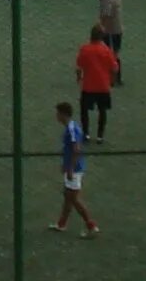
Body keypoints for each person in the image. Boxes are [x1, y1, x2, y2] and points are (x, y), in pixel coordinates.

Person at [50, 101, 98, 236]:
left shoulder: (71, 129)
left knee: (74, 199)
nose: (56, 116)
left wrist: (70, 168)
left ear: (63, 114)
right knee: (68, 196)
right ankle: (61, 224)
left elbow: (76, 149)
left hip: (75, 169)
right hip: (72, 167)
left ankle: (91, 226)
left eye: (57, 113)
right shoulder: (71, 126)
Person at [75, 27, 118, 142]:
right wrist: (112, 81)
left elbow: (79, 67)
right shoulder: (106, 50)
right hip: (103, 86)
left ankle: (86, 134)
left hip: (88, 86)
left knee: (84, 110)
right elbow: (114, 68)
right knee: (102, 110)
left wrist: (79, 78)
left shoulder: (85, 49)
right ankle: (100, 136)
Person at [96, 0, 124, 85]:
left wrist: (101, 29)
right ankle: (117, 77)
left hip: (109, 30)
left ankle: (111, 78)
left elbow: (106, 16)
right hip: (118, 28)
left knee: (108, 54)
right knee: (115, 53)